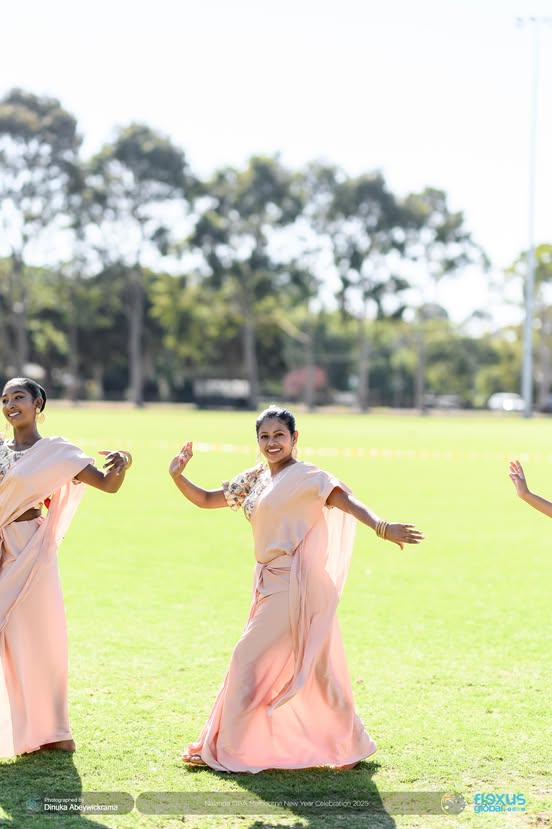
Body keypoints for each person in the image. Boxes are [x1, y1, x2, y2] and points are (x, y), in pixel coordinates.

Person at [169, 405, 424, 773]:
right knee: (317, 668)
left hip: (297, 582)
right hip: (269, 582)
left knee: (246, 658)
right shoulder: (257, 477)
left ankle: (232, 749)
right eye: (265, 437)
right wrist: (178, 476)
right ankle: (351, 745)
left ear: (294, 438)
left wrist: (381, 526)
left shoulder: (307, 476)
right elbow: (208, 499)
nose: (272, 443)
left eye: (279, 436)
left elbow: (344, 499)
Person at [0, 377, 132, 757]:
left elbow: (108, 484)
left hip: (33, 551)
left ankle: (54, 732)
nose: (10, 404)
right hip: (2, 550)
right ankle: (16, 730)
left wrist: (124, 462)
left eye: (19, 397)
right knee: (8, 642)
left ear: (38, 403)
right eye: (5, 399)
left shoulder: (56, 452)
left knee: (42, 641)